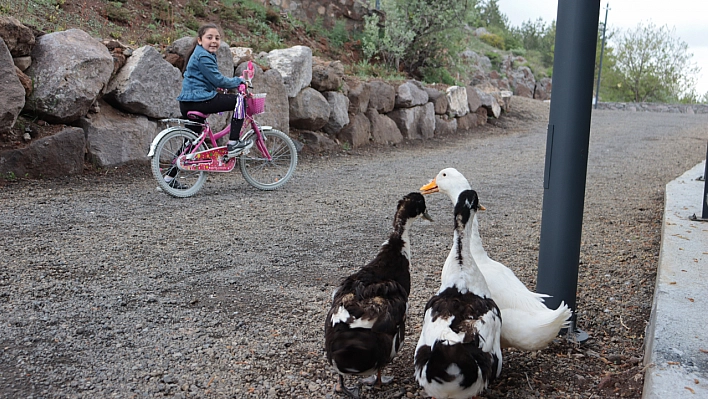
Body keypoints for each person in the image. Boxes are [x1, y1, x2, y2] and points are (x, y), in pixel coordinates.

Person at [177, 23, 250, 158]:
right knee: (240, 102)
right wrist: (239, 81)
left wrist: (219, 87)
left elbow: (205, 79)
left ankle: (170, 176)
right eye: (209, 37)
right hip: (200, 100)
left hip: (188, 102)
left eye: (217, 38)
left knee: (191, 142)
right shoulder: (204, 56)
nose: (214, 41)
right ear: (200, 40)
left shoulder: (199, 53)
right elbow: (218, 80)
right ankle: (233, 142)